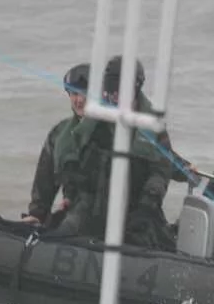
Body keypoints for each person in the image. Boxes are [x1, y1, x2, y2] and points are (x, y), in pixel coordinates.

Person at [50, 56, 175, 249]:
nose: (114, 97)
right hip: (91, 206)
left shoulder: (152, 127)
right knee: (58, 235)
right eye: (111, 91)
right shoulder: (94, 122)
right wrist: (71, 192)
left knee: (151, 243)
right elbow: (73, 158)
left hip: (137, 209)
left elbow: (161, 169)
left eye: (120, 91)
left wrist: (148, 201)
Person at [22, 63, 89, 226]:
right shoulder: (60, 133)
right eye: (74, 93)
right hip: (74, 212)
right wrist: (37, 213)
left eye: (85, 94)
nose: (79, 100)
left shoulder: (113, 132)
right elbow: (45, 177)